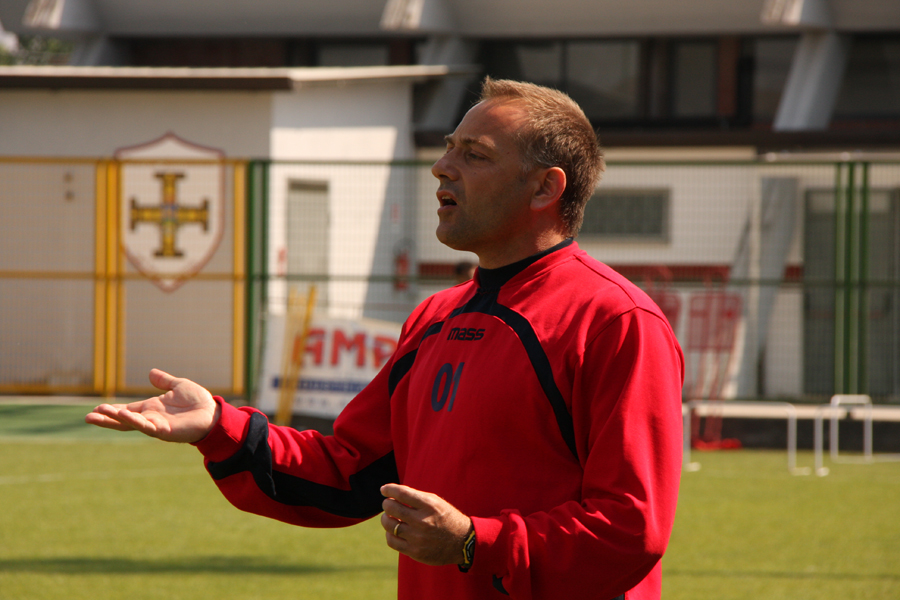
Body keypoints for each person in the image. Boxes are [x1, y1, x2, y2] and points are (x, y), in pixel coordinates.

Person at [87, 77, 684, 600]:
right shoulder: (434, 318)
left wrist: (478, 543)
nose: (442, 167)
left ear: (544, 189)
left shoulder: (616, 322)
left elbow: (630, 528)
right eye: (449, 147)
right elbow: (349, 475)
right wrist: (220, 425)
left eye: (474, 154)